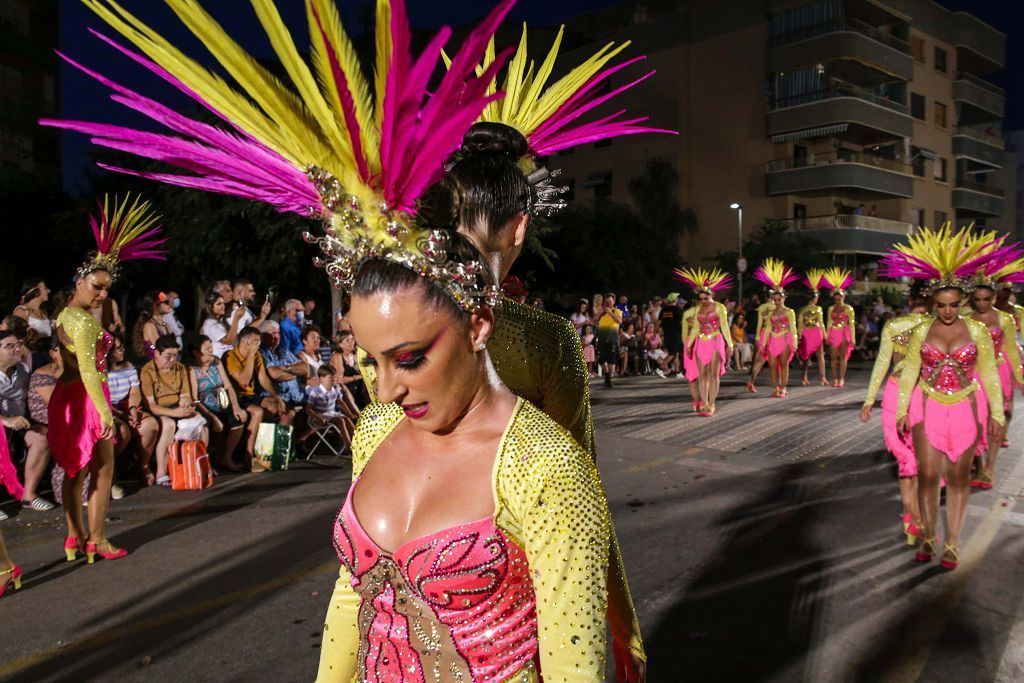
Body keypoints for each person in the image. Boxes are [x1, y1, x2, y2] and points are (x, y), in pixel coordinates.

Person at [50, 6, 657, 676]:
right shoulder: (373, 431)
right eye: (370, 357)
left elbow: (576, 563)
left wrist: (615, 626)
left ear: (478, 323)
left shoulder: (546, 466)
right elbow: (354, 594)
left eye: (410, 357)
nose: (385, 387)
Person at [50, 194, 165, 563]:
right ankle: (96, 540)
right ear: (79, 280)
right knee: (101, 470)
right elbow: (88, 370)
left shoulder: (63, 317)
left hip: (67, 396)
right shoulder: (82, 322)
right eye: (96, 286)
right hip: (87, 396)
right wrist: (103, 413)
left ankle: (74, 537)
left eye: (106, 289)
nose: (102, 294)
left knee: (74, 470)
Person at [884, 226, 1004, 570]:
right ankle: (928, 535)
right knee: (927, 476)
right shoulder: (922, 329)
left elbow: (991, 374)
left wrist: (996, 412)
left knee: (958, 478)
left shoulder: (978, 331)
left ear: (962, 303)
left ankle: (952, 541)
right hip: (928, 406)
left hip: (965, 409)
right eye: (941, 305)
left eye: (953, 305)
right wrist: (903, 408)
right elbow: (909, 371)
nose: (947, 312)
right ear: (933, 303)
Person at [860, 290, 931, 544]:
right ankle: (916, 517)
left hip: (905, 392)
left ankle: (912, 518)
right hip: (919, 395)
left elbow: (882, 362)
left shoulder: (897, 324)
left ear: (909, 301)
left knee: (908, 463)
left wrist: (870, 399)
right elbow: (881, 361)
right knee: (917, 462)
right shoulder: (936, 326)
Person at [961, 249, 1024, 490]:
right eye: (977, 299)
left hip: (997, 374)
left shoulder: (1005, 319)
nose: (982, 303)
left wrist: (1020, 379)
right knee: (974, 421)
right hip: (972, 374)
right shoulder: (965, 317)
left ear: (994, 296)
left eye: (986, 298)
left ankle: (990, 468)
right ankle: (977, 463)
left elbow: (1010, 351)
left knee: (995, 419)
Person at [140, 334, 206, 486]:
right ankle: (161, 472)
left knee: (198, 421)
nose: (172, 360)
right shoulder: (148, 371)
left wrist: (185, 404)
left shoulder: (180, 368)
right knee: (168, 425)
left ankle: (194, 465)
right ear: (157, 353)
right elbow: (151, 405)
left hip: (176, 406)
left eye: (175, 356)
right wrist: (175, 413)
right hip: (159, 410)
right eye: (168, 356)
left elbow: (185, 395)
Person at [0, 329, 54, 510]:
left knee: (42, 436)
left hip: (20, 423)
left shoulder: (22, 369)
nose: (17, 349)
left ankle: (28, 495)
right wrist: (6, 420)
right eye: (10, 346)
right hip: (4, 423)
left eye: (18, 345)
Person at [225, 327, 291, 470]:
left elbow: (263, 378)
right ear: (244, 341)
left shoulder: (256, 355)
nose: (258, 344)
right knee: (257, 412)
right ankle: (248, 455)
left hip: (251, 395)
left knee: (277, 407)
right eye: (255, 341)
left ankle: (272, 453)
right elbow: (244, 380)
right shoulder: (231, 356)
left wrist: (276, 396)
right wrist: (250, 357)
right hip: (237, 396)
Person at [674, 267, 734, 415]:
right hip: (701, 343)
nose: (703, 301)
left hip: (715, 341)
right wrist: (689, 344)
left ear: (712, 294)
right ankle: (704, 403)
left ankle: (711, 404)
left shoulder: (719, 307)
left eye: (706, 298)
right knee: (703, 375)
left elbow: (725, 328)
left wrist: (730, 344)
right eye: (700, 299)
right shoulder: (698, 309)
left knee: (714, 375)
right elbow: (695, 328)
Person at [188, 335, 248, 472]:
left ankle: (227, 458)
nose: (211, 351)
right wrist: (212, 417)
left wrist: (236, 407)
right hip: (205, 406)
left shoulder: (217, 362)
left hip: (222, 402)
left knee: (239, 419)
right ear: (196, 353)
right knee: (209, 424)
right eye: (207, 348)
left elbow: (228, 386)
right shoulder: (192, 370)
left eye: (211, 347)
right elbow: (194, 397)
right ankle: (205, 463)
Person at [107, 337, 159, 485]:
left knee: (150, 425)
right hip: (108, 409)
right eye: (118, 348)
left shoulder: (127, 365)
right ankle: (110, 468)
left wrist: (133, 410)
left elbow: (135, 392)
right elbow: (100, 399)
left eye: (122, 347)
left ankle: (143, 465)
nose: (122, 351)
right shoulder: (99, 371)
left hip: (127, 406)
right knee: (122, 431)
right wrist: (122, 415)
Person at [753, 259, 799, 398]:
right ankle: (774, 388)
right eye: (775, 300)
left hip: (785, 339)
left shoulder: (789, 312)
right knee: (772, 365)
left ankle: (783, 388)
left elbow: (793, 328)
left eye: (779, 299)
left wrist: (794, 343)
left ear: (784, 299)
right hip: (773, 340)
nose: (777, 302)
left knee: (784, 364)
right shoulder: (771, 313)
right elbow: (767, 329)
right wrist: (763, 343)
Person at [299, 366, 354, 454]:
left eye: (334, 378)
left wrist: (350, 413)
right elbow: (308, 409)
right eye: (330, 378)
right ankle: (349, 446)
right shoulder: (316, 391)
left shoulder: (335, 388)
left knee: (347, 419)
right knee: (341, 421)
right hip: (320, 415)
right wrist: (318, 418)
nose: (332, 380)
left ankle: (359, 441)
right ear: (322, 379)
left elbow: (341, 402)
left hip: (332, 413)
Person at [258, 320, 307, 410]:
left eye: (278, 333)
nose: (277, 336)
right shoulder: (261, 353)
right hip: (280, 398)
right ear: (262, 335)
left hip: (298, 397)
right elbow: (275, 374)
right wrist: (295, 373)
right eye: (273, 333)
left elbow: (304, 368)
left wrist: (285, 368)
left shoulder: (284, 351)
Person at [823, 267, 857, 387]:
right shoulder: (831, 308)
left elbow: (852, 323)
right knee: (832, 357)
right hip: (833, 333)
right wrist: (827, 335)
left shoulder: (849, 309)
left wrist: (853, 338)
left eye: (840, 298)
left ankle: (841, 378)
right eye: (836, 298)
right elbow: (828, 322)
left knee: (843, 357)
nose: (838, 300)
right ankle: (835, 378)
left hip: (844, 332)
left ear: (844, 297)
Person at [797, 269, 829, 386]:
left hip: (806, 332)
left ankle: (804, 377)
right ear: (815, 298)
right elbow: (821, 323)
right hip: (816, 332)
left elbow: (800, 324)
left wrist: (799, 335)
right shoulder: (818, 309)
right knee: (820, 355)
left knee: (806, 356)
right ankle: (823, 377)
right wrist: (825, 335)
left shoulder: (802, 310)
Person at [329, 330, 368, 413]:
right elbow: (340, 380)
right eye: (347, 340)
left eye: (352, 339)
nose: (351, 342)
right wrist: (357, 377)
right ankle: (358, 415)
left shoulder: (356, 354)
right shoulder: (337, 356)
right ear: (340, 344)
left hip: (358, 388)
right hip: (344, 389)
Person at [200, 291, 246, 358]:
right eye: (219, 304)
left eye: (223, 303)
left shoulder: (217, 321)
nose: (223, 306)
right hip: (222, 359)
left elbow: (228, 332)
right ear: (210, 307)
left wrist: (238, 300)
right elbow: (228, 340)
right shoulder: (211, 324)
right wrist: (236, 319)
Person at [131, 291, 174, 360]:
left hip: (167, 367)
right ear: (155, 305)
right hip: (155, 368)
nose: (170, 304)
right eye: (166, 302)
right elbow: (161, 350)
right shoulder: (149, 326)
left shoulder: (166, 326)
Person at [596, 293, 623, 387]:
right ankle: (607, 375)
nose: (608, 303)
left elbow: (619, 321)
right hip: (602, 338)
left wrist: (610, 313)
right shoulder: (602, 312)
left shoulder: (617, 311)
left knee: (611, 360)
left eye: (610, 301)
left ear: (614, 301)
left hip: (612, 339)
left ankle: (609, 378)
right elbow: (594, 320)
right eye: (606, 301)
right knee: (601, 359)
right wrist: (601, 312)